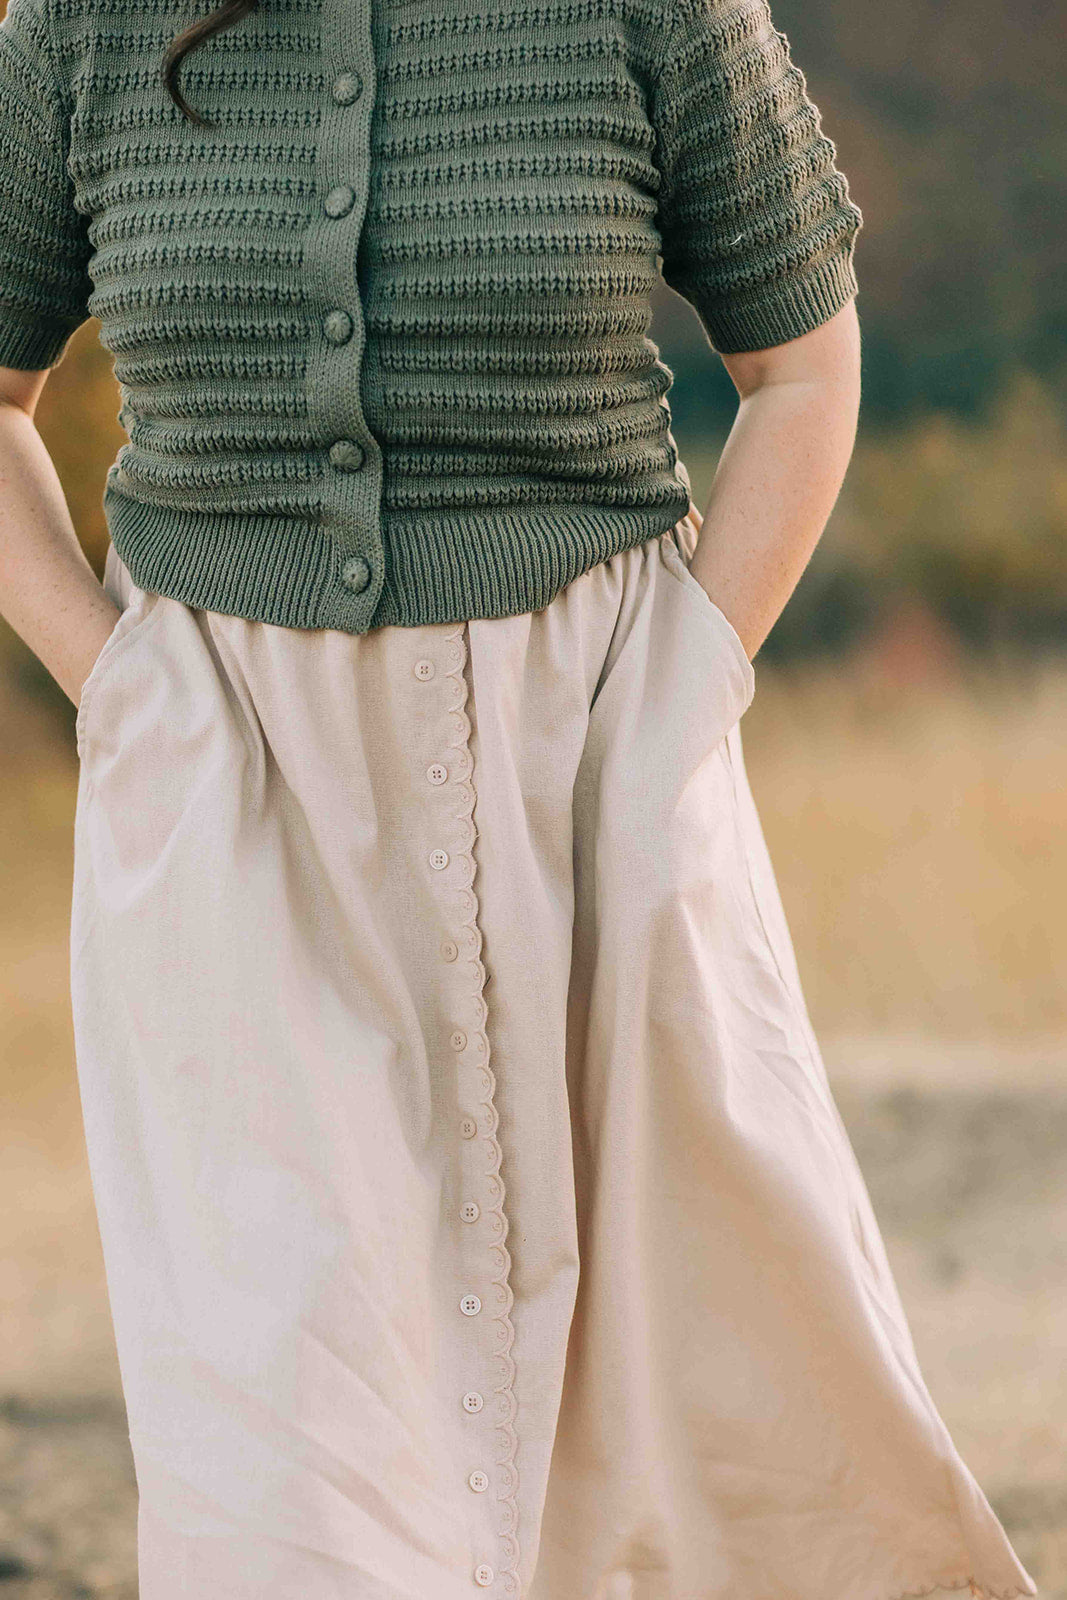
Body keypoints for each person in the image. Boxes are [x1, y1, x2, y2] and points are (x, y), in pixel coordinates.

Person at [0, 0, 1039, 1592]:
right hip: (233, 804)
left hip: (594, 764)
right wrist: (123, 692)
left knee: (704, 1410)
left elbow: (806, 363)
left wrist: (688, 686)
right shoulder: (81, 24)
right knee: (291, 1456)